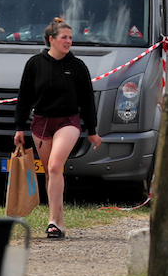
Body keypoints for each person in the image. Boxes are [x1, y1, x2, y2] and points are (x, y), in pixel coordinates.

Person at [14, 17, 102, 240]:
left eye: (71, 38)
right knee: (50, 172)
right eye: (64, 37)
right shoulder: (34, 64)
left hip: (68, 122)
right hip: (41, 123)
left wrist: (92, 131)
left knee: (54, 166)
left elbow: (87, 101)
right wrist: (19, 127)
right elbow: (24, 97)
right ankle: (59, 221)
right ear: (51, 40)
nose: (69, 41)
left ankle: (52, 221)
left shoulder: (78, 67)